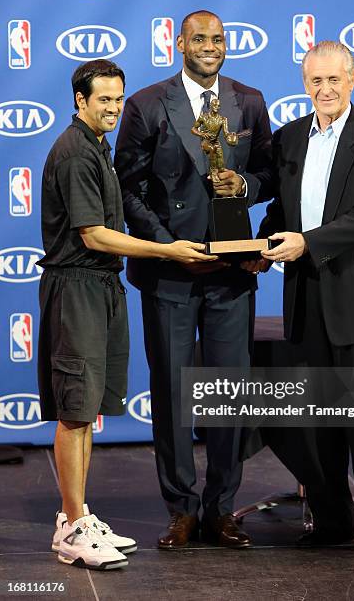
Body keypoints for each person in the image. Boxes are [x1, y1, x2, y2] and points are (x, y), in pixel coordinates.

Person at [38, 59, 213, 570]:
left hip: (101, 286)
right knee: (75, 412)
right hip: (77, 290)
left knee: (86, 408)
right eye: (104, 100)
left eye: (119, 99)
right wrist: (167, 250)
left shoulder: (98, 147)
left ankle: (79, 515)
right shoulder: (74, 152)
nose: (114, 108)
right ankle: (71, 527)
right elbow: (93, 234)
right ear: (80, 101)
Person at [115, 10, 272, 549]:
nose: (210, 47)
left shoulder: (248, 100)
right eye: (200, 39)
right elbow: (127, 188)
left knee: (229, 395)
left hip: (232, 271)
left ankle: (221, 509)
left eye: (218, 39)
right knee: (174, 392)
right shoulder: (145, 104)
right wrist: (166, 246)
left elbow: (270, 174)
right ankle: (180, 508)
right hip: (170, 274)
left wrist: (244, 184)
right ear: (179, 43)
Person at [245, 41, 354, 558]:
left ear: (352, 80)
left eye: (334, 80)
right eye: (316, 81)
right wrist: (262, 247)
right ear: (304, 84)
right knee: (317, 423)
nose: (325, 90)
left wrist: (307, 243)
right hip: (305, 298)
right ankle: (333, 521)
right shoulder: (289, 139)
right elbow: (281, 212)